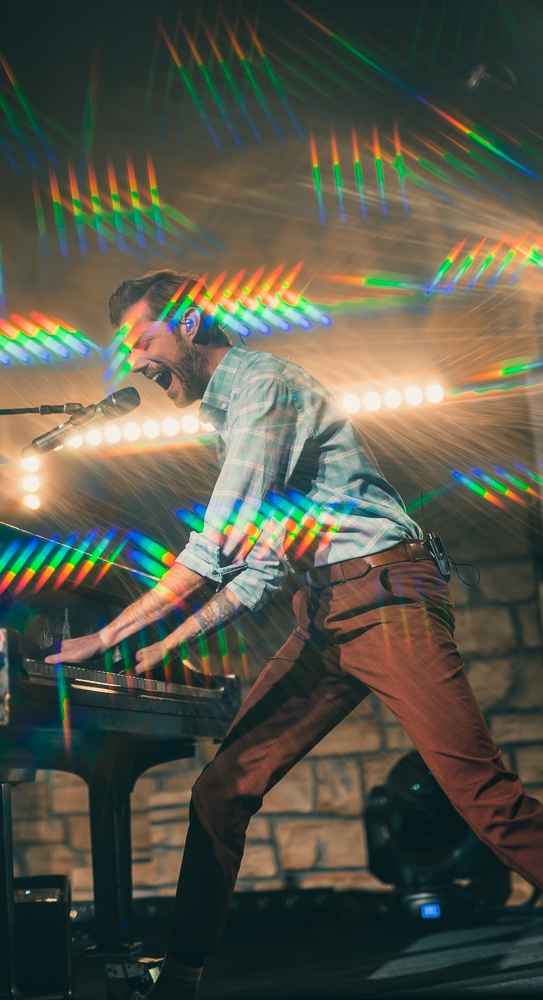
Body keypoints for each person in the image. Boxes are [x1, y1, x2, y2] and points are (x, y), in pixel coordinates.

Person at [48, 269, 543, 1000]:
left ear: (186, 323)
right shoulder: (229, 415)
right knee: (221, 790)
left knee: (479, 793)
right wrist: (153, 650)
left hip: (385, 597)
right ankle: (179, 980)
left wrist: (106, 637)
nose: (135, 363)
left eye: (143, 340)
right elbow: (257, 573)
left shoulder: (261, 390)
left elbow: (214, 548)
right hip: (327, 611)